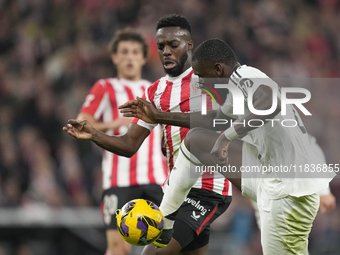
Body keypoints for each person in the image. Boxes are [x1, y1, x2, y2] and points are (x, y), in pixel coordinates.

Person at [119, 38, 335, 254]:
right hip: (270, 173)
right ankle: (165, 222)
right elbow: (214, 119)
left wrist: (226, 137)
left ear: (218, 69)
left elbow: (271, 102)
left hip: (291, 191)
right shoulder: (236, 90)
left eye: (202, 75)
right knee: (196, 141)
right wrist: (159, 116)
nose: (199, 82)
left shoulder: (246, 76)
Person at [64, 15, 232, 255]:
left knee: (153, 252)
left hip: (207, 189)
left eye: (173, 44)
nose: (166, 51)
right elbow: (129, 144)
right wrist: (94, 134)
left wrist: (159, 116)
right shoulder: (155, 92)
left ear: (190, 45)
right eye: (161, 46)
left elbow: (213, 121)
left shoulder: (209, 81)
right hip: (175, 192)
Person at [77, 28, 168, 255]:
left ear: (144, 57)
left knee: (167, 246)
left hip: (158, 180)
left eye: (135, 52)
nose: (130, 57)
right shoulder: (105, 87)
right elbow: (82, 122)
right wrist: (114, 123)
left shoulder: (155, 89)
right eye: (124, 52)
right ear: (115, 57)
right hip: (119, 181)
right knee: (119, 249)